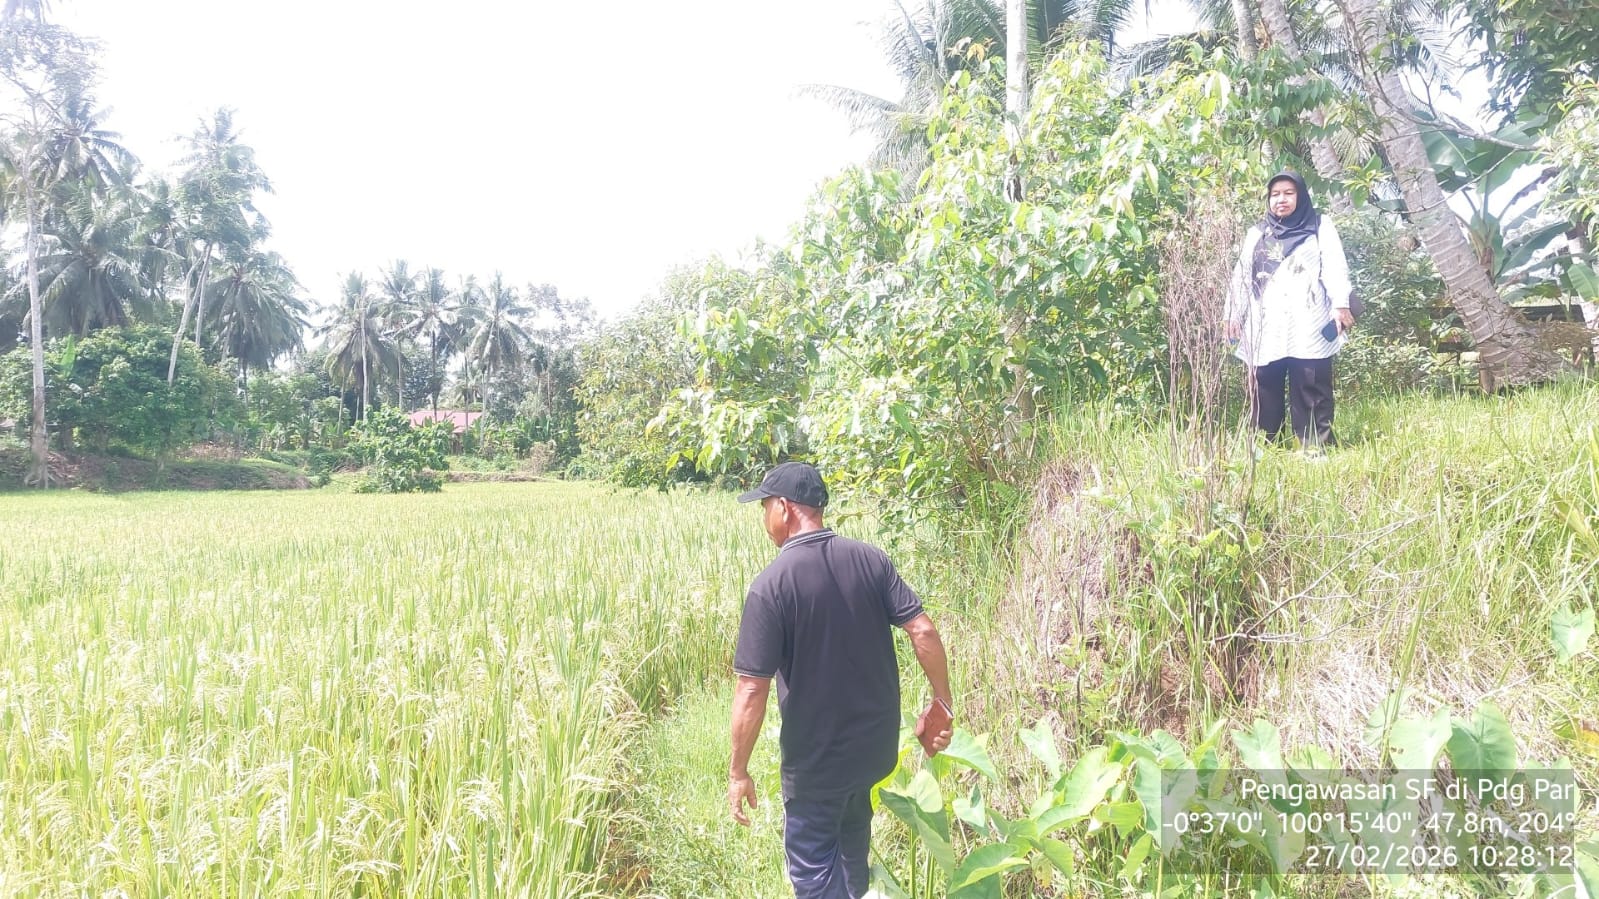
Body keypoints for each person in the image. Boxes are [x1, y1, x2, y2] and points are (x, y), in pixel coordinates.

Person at [727, 461, 954, 899]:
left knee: (815, 880)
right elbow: (922, 630)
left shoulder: (770, 586)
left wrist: (738, 772)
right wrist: (941, 703)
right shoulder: (871, 560)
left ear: (784, 508)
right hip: (871, 755)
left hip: (817, 768)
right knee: (852, 859)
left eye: (764, 507)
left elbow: (751, 689)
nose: (764, 517)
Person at [1225, 170, 1356, 452]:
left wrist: (1340, 304)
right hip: (1266, 322)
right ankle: (1264, 447)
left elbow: (1334, 265)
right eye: (1275, 194)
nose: (1281, 199)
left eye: (1288, 193)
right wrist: (1233, 314)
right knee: (1263, 384)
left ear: (1301, 195)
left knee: (1312, 384)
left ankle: (1315, 448)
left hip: (1309, 319)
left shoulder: (1320, 225)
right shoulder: (1258, 232)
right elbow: (1242, 275)